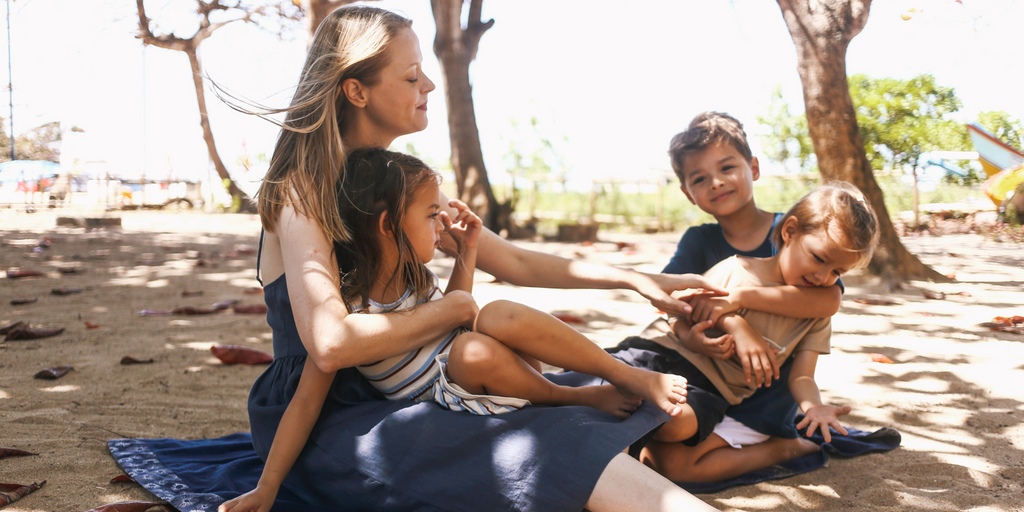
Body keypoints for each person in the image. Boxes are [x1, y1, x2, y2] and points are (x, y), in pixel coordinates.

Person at [219, 6, 721, 511]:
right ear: (356, 90)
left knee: (641, 407)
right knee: (536, 440)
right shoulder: (304, 191)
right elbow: (329, 345)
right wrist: (454, 309)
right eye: (412, 75)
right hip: (331, 413)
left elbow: (515, 263)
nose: (430, 86)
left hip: (420, 380)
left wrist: (638, 279)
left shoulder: (397, 180)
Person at [609, 112, 845, 478]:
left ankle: (781, 444)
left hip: (760, 391)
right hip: (694, 366)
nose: (717, 182)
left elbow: (826, 301)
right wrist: (732, 324)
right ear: (688, 193)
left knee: (675, 450)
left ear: (753, 167)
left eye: (727, 168)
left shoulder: (796, 233)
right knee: (652, 439)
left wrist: (736, 301)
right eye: (701, 179)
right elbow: (671, 301)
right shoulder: (700, 241)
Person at [638, 182, 879, 482]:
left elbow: (802, 376)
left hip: (739, 405)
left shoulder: (816, 310)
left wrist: (814, 407)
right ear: (789, 232)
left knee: (672, 465)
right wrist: (734, 324)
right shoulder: (736, 271)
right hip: (690, 383)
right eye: (818, 258)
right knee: (651, 445)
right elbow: (680, 309)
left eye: (837, 272)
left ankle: (782, 448)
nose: (822, 276)